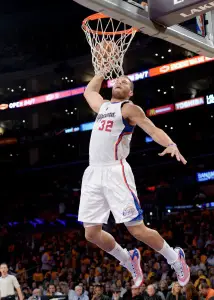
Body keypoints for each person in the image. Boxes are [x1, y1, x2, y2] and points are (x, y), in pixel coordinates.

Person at [78, 74, 190, 287]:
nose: (120, 82)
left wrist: (171, 143)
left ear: (130, 93)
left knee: (137, 229)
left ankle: (175, 258)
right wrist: (101, 73)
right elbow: (89, 92)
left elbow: (152, 128)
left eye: (126, 83)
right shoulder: (102, 107)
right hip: (93, 172)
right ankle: (128, 258)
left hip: (115, 171)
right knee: (91, 233)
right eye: (118, 80)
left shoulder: (129, 109)